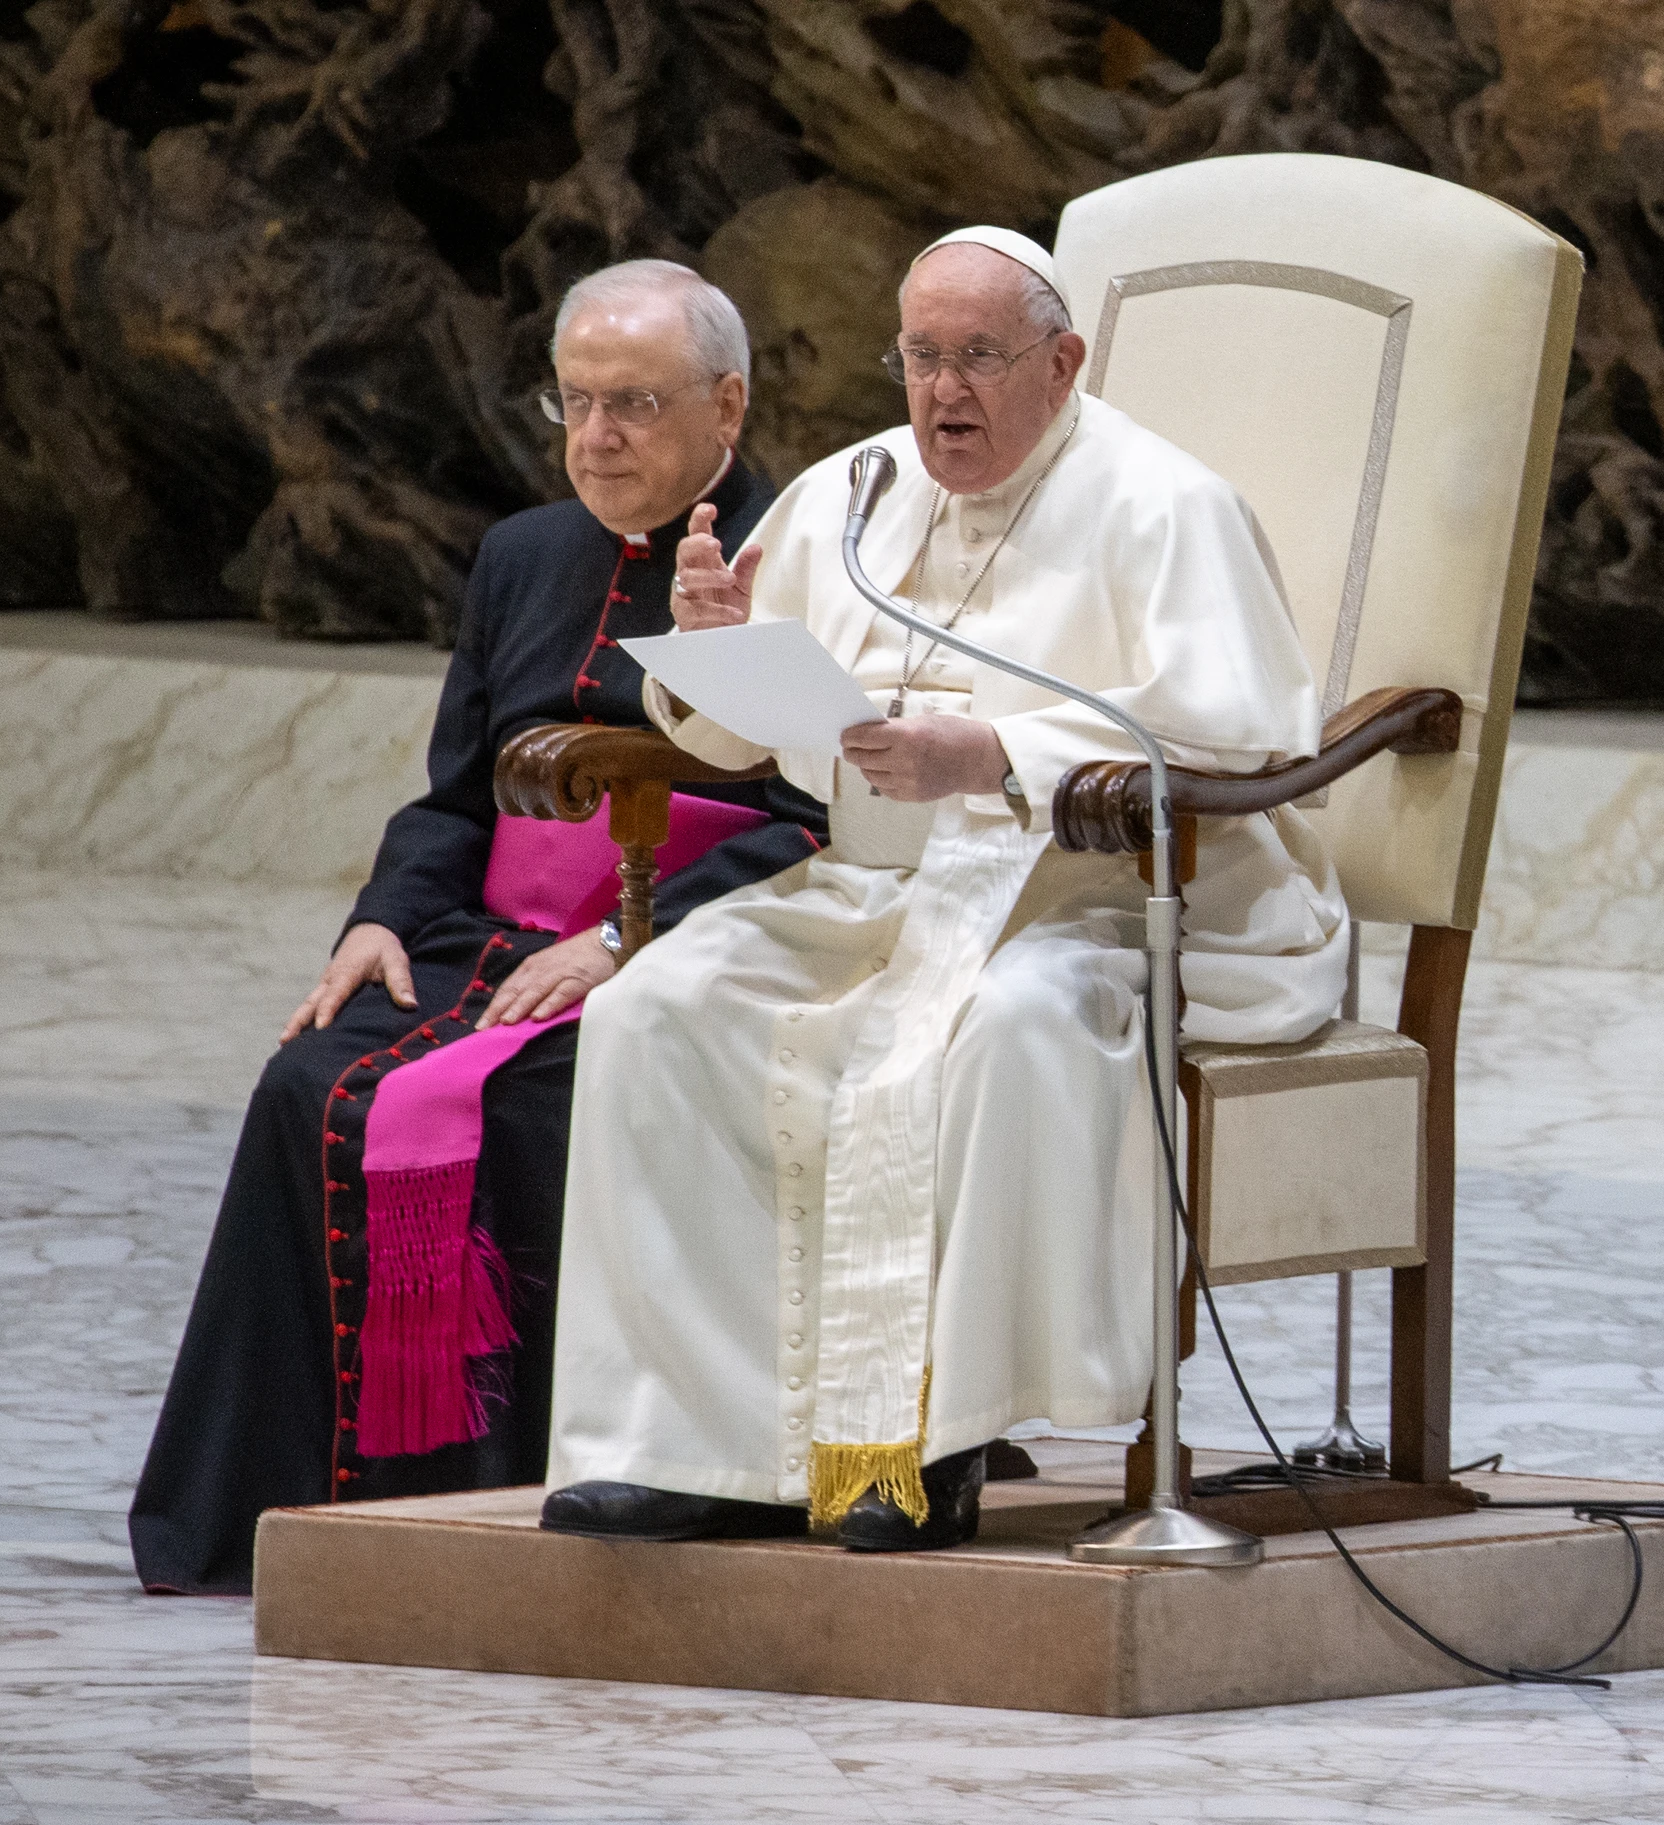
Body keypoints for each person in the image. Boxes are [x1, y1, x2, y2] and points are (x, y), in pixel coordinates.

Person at [537, 225, 1346, 1552]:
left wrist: (1002, 756)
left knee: (999, 1031)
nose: (942, 393)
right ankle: (699, 1445)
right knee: (659, 1007)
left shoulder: (1163, 504)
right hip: (872, 889)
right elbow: (743, 741)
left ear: (1062, 360)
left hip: (1096, 893)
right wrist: (709, 653)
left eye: (979, 357)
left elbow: (1242, 733)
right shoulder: (853, 489)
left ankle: (928, 1447)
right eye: (920, 357)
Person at [129, 261, 827, 1594]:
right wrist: (379, 921)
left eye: (634, 403)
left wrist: (631, 940)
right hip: (490, 944)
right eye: (575, 403)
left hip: (686, 938)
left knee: (543, 1105)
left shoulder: (792, 556)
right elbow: (454, 794)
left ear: (725, 405)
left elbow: (810, 812)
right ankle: (285, 1514)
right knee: (308, 1079)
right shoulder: (524, 554)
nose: (598, 436)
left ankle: (528, 1507)